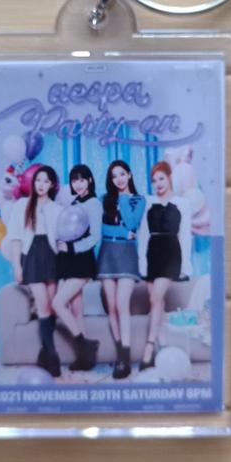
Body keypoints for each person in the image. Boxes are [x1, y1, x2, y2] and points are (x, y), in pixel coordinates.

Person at [7, 165, 63, 377]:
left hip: (51, 256)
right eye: (38, 180)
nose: (41, 184)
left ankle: (43, 354)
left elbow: (61, 237)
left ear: (52, 185)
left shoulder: (57, 209)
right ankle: (53, 356)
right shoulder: (22, 205)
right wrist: (17, 265)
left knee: (51, 305)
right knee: (42, 303)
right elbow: (15, 237)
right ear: (33, 182)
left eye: (46, 181)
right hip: (31, 256)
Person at [138, 161, 192, 371]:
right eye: (154, 180)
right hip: (152, 253)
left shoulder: (182, 203)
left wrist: (185, 267)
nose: (158, 183)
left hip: (171, 253)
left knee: (155, 298)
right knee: (156, 303)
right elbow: (143, 236)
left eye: (161, 178)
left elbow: (185, 236)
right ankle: (163, 345)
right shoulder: (148, 203)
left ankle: (149, 347)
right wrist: (142, 265)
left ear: (169, 178)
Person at [97, 160, 145, 379]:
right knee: (112, 306)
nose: (118, 179)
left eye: (122, 174)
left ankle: (124, 357)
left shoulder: (138, 199)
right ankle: (120, 355)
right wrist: (123, 232)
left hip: (127, 254)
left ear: (129, 174)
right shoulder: (104, 199)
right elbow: (102, 228)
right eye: (114, 176)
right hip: (107, 252)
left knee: (122, 303)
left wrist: (124, 198)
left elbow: (132, 222)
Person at [51, 165, 102, 371]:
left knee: (57, 303)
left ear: (89, 180)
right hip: (69, 261)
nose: (78, 184)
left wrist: (71, 247)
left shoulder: (93, 204)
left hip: (82, 261)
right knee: (76, 309)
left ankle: (86, 344)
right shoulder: (74, 202)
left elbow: (95, 237)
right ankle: (85, 358)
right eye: (74, 180)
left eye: (82, 180)